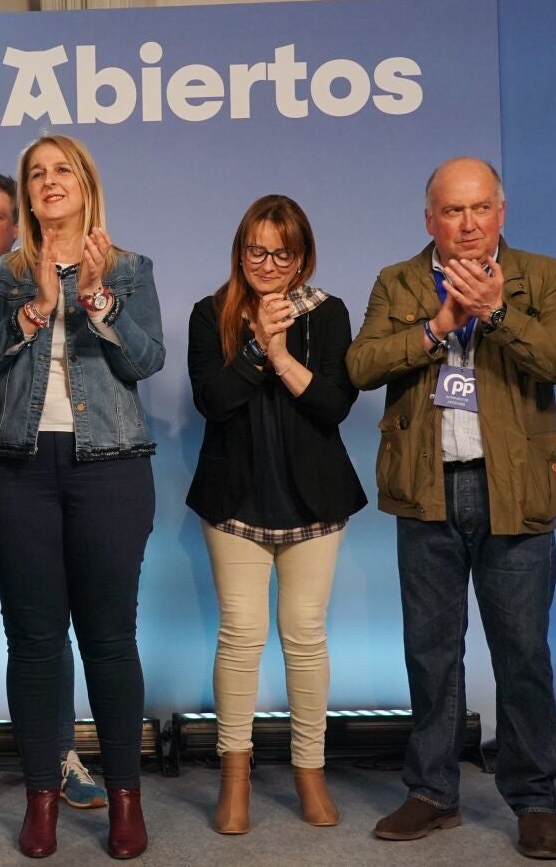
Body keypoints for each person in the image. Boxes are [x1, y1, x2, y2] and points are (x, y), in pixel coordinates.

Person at [345, 157, 556, 861]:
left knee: (523, 654)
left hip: (515, 491)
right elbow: (361, 366)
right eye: (453, 211)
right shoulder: (398, 280)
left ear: (501, 213)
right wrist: (435, 327)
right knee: (430, 653)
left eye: (481, 207)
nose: (468, 223)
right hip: (426, 489)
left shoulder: (541, 276)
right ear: (430, 219)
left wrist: (497, 314)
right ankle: (433, 792)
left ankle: (535, 800)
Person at [0, 134, 165, 860]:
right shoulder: (0, 274)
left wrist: (99, 302)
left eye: (63, 171)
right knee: (33, 642)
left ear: (86, 184)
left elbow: (146, 360)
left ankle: (125, 800)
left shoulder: (130, 267)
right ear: (26, 192)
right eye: (36, 174)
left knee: (110, 640)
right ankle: (41, 800)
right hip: (17, 469)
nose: (49, 182)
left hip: (109, 467)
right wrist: (34, 311)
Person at [186, 194, 365, 835]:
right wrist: (258, 347)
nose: (267, 264)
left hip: (313, 501)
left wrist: (284, 354)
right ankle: (234, 778)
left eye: (281, 254)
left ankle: (309, 772)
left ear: (302, 258)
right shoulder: (210, 313)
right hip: (234, 500)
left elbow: (333, 406)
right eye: (255, 251)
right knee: (240, 635)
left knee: (305, 636)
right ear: (240, 252)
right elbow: (213, 401)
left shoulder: (329, 313)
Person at [0, 172, 102, 814]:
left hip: (28, 469)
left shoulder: (38, 285)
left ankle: (61, 753)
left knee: (44, 624)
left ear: (17, 225)